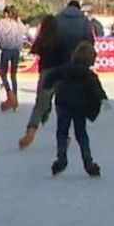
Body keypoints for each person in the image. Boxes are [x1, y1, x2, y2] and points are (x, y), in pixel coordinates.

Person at [45, 43, 107, 177]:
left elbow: (52, 75)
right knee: (81, 134)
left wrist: (47, 85)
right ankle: (88, 163)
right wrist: (103, 98)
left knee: (62, 131)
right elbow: (96, 88)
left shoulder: (65, 68)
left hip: (63, 102)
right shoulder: (89, 74)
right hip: (79, 106)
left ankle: (61, 159)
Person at [18, 15, 63, 150]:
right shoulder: (61, 39)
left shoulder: (42, 39)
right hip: (60, 74)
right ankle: (63, 135)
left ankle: (30, 132)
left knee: (40, 106)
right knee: (62, 108)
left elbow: (34, 50)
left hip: (45, 74)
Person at [0, 8, 25, 111]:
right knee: (13, 75)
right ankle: (15, 97)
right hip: (16, 51)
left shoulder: (3, 22)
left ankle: (9, 92)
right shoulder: (19, 23)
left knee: (3, 73)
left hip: (6, 49)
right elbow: (23, 34)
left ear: (7, 14)